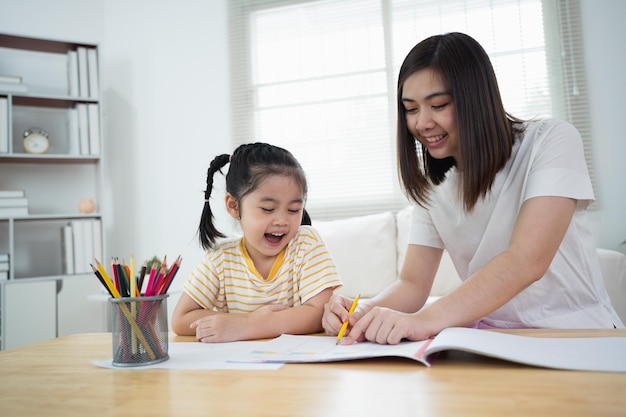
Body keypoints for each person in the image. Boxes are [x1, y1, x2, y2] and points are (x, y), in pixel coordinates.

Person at [322, 32, 624, 345]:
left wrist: (424, 320)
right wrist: (361, 313)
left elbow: (526, 260)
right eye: (411, 109)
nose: (422, 123)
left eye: (437, 105)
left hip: (578, 336)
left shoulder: (550, 140)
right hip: (491, 343)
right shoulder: (434, 185)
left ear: (475, 98)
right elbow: (412, 283)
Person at [172, 142, 342, 342]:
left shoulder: (306, 244)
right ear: (234, 206)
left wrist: (247, 326)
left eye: (294, 210)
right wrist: (244, 320)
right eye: (268, 209)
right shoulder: (220, 259)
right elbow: (180, 320)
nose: (282, 221)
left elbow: (318, 313)